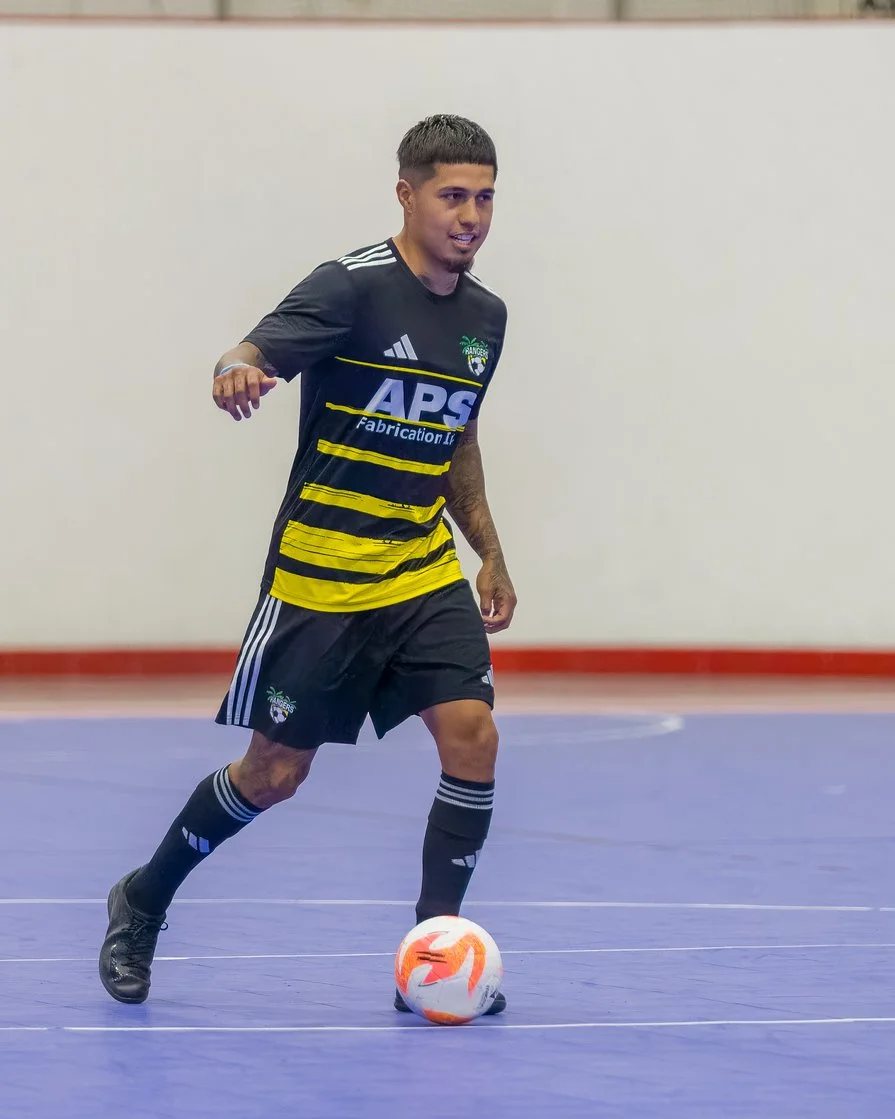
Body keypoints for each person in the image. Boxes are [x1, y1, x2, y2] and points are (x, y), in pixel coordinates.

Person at [99, 114, 516, 1014]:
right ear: (405, 194)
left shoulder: (486, 318)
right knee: (274, 774)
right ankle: (144, 898)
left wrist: (488, 550)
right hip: (319, 578)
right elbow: (250, 350)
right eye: (452, 196)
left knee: (473, 736)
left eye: (484, 198)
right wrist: (234, 369)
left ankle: (430, 955)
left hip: (419, 569)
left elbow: (457, 438)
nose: (471, 216)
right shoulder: (350, 287)